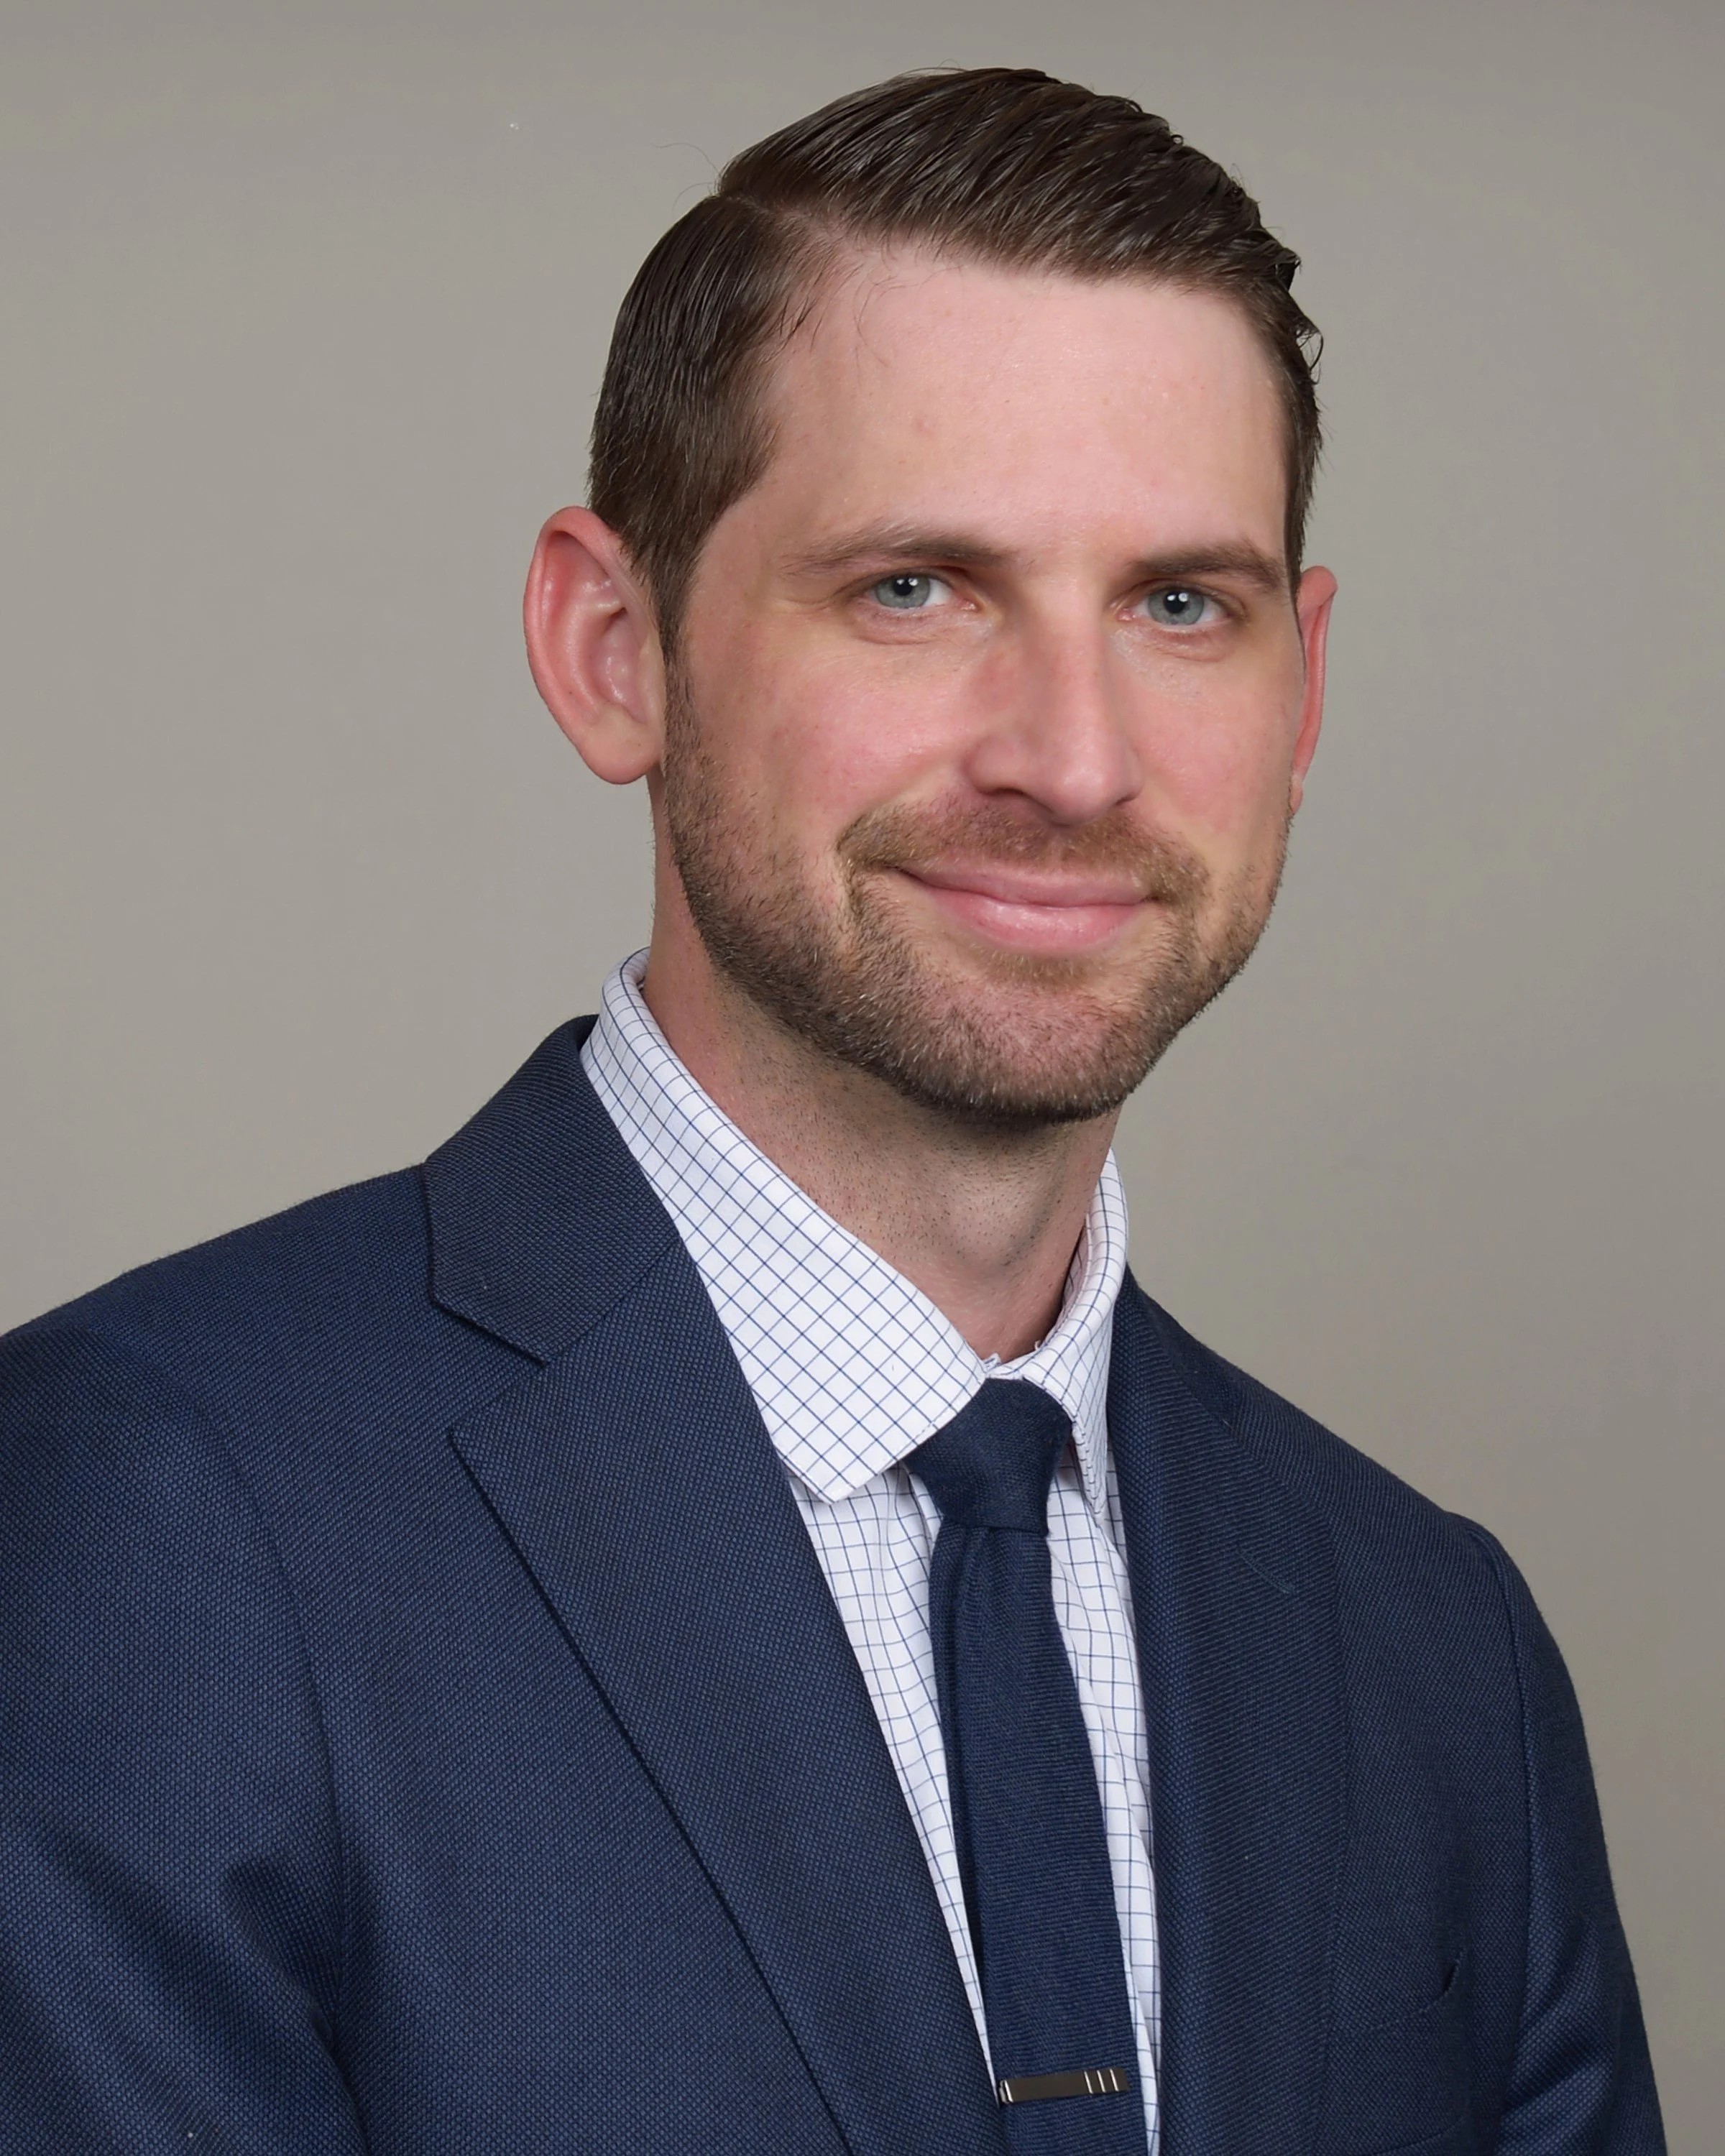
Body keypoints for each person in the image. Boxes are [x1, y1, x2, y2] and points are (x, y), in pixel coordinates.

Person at [0, 67, 1662, 2156]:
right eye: (915, 588)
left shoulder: (1439, 1658)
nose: (1073, 756)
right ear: (615, 648)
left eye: (1180, 605)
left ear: (1303, 689)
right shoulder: (145, 1529)